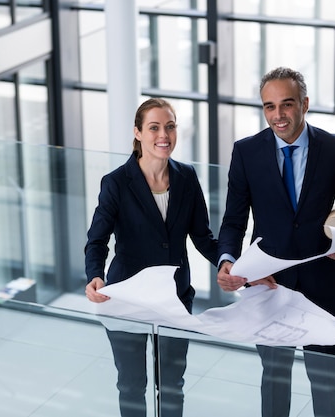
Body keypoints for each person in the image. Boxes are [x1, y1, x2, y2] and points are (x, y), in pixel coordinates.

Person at [216, 67, 335, 417]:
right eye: (269, 107)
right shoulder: (246, 152)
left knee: (325, 379)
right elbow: (234, 221)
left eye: (286, 105)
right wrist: (227, 259)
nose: (278, 115)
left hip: (323, 285)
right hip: (268, 286)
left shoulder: (334, 148)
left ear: (305, 104)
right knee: (274, 378)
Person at [85, 97, 218, 417]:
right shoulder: (116, 182)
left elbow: (202, 236)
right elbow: (97, 240)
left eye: (170, 126)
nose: (164, 135)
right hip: (126, 297)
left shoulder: (187, 177)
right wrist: (94, 275)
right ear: (138, 133)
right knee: (131, 384)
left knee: (172, 384)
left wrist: (231, 265)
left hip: (175, 297)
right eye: (155, 127)